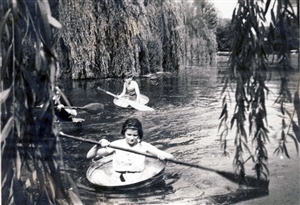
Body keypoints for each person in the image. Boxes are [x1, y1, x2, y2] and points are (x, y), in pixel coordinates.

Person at [86, 118, 173, 183]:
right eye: (129, 134)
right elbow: (90, 156)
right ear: (124, 133)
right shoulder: (116, 144)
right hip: (116, 179)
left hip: (138, 178)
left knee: (152, 170)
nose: (131, 138)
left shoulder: (144, 146)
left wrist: (162, 156)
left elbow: (170, 156)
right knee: (98, 175)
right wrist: (97, 145)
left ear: (139, 134)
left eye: (135, 135)